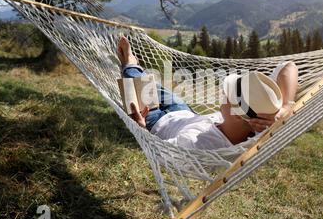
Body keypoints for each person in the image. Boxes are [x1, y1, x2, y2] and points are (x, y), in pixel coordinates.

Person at [117, 36, 298, 150]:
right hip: (183, 112)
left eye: (228, 94)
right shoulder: (257, 125)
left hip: (154, 120)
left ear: (238, 114)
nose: (223, 93)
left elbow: (159, 153)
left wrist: (140, 128)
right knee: (152, 83)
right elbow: (288, 67)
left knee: (133, 83)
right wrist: (284, 108)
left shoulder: (197, 143)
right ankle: (137, 67)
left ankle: (129, 63)